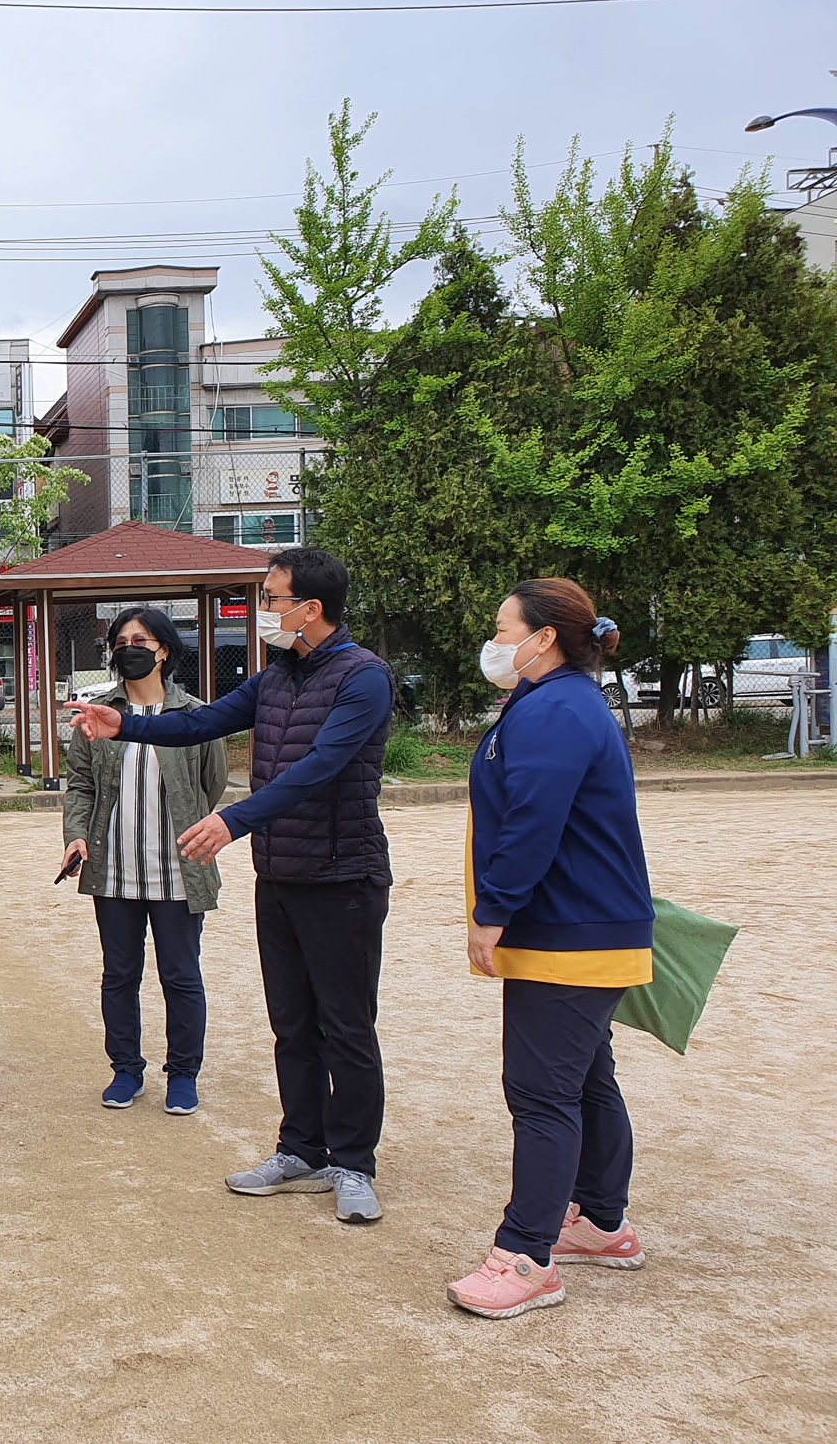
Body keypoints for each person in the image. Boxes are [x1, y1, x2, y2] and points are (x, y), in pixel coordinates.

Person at [67, 547, 395, 1223]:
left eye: (271, 599)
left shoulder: (364, 677)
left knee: (345, 1027)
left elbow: (321, 767)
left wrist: (232, 820)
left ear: (310, 608)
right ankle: (300, 1149)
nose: (262, 610)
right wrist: (125, 723)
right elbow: (202, 721)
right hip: (281, 875)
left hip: (343, 876)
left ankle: (353, 1163)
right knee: (292, 1025)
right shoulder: (277, 677)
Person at [446, 581, 654, 1320]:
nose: (494, 641)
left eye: (504, 628)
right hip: (578, 929)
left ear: (544, 639)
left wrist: (492, 912)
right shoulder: (552, 702)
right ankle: (601, 1222)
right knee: (586, 1080)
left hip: (568, 935)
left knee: (541, 1094)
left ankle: (526, 1256)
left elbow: (533, 820)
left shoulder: (558, 709)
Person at [61, 607, 230, 1113]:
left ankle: (183, 1074)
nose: (129, 649)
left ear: (165, 650)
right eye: (121, 642)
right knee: (119, 975)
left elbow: (212, 784)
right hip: (114, 870)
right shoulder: (96, 714)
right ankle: (126, 1070)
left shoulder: (196, 715)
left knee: (181, 976)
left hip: (179, 871)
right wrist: (76, 835)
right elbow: (80, 785)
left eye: (142, 640)